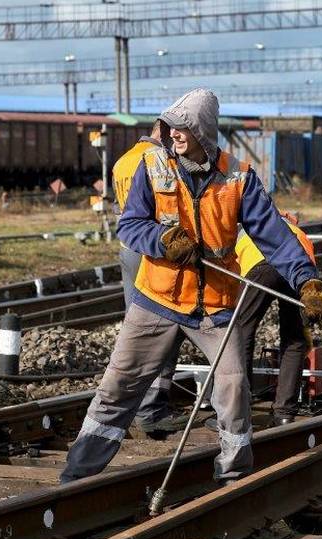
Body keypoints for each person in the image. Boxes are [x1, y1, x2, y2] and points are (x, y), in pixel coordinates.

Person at [59, 88, 322, 486]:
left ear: (202, 132)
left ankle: (233, 479)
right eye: (170, 128)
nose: (173, 135)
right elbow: (131, 224)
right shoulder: (152, 166)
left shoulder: (238, 177)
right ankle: (76, 478)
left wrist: (307, 281)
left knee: (233, 387)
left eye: (181, 129)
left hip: (215, 308)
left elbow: (274, 235)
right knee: (117, 387)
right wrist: (163, 241)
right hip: (156, 300)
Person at [111, 119, 190, 437]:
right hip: (156, 250)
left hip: (128, 248)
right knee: (165, 329)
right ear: (167, 133)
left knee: (136, 328)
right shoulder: (159, 161)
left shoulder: (122, 161)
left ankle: (129, 405)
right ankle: (152, 410)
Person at [231, 210, 317, 427]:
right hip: (301, 268)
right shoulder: (300, 234)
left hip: (261, 263)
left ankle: (240, 408)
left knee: (241, 333)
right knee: (295, 339)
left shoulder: (247, 232)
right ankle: (285, 413)